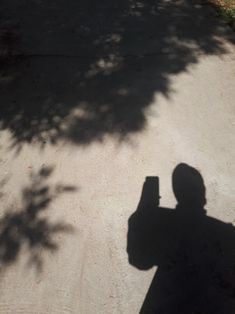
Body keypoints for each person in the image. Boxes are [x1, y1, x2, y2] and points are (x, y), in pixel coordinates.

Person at [127, 163, 235, 313]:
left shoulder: (164, 223)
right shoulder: (226, 233)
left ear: (177, 192)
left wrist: (145, 209)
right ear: (203, 193)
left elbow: (139, 258)